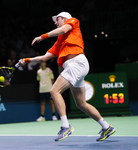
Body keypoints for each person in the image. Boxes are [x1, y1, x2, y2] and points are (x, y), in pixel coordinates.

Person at [18, 12, 116, 142]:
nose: (55, 22)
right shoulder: (59, 42)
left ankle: (65, 126)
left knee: (54, 91)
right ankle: (106, 126)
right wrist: (27, 60)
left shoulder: (73, 21)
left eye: (57, 19)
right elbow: (44, 57)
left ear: (64, 18)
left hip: (76, 63)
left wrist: (42, 37)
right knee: (81, 104)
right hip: (76, 67)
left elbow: (63, 29)